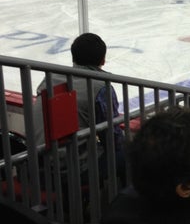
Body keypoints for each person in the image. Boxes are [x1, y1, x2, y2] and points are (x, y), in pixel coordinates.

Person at [33, 32, 125, 183]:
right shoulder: (100, 85)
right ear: (102, 60)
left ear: (73, 58)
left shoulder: (50, 78)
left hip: (40, 162)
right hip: (70, 168)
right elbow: (112, 138)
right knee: (129, 155)